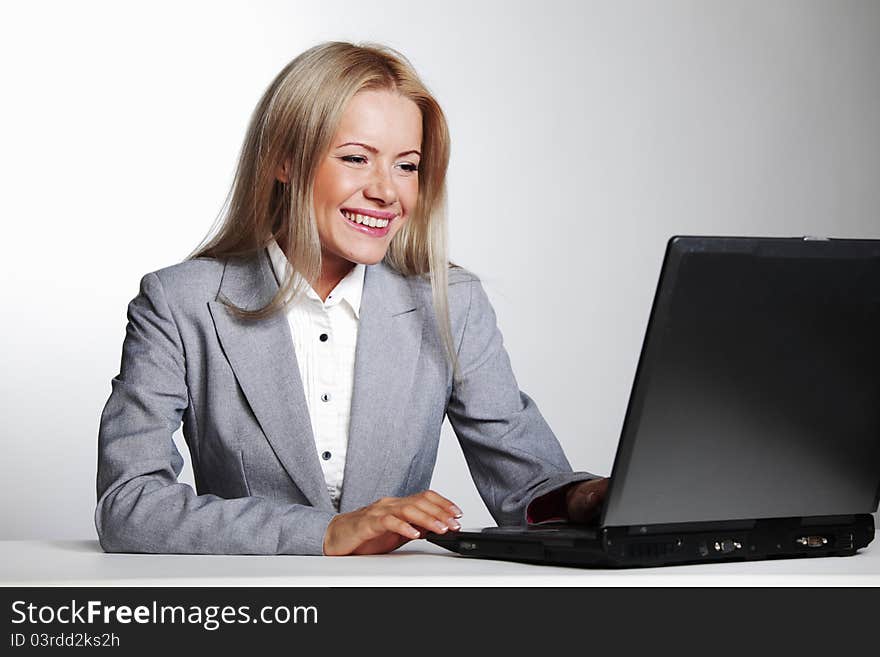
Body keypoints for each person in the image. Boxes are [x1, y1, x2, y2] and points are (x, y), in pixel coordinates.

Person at [95, 41, 608, 556]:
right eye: (357, 158)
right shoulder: (179, 302)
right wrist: (325, 533)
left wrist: (592, 498)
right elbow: (129, 505)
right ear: (284, 162)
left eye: (407, 166)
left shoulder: (451, 301)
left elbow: (531, 485)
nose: (387, 191)